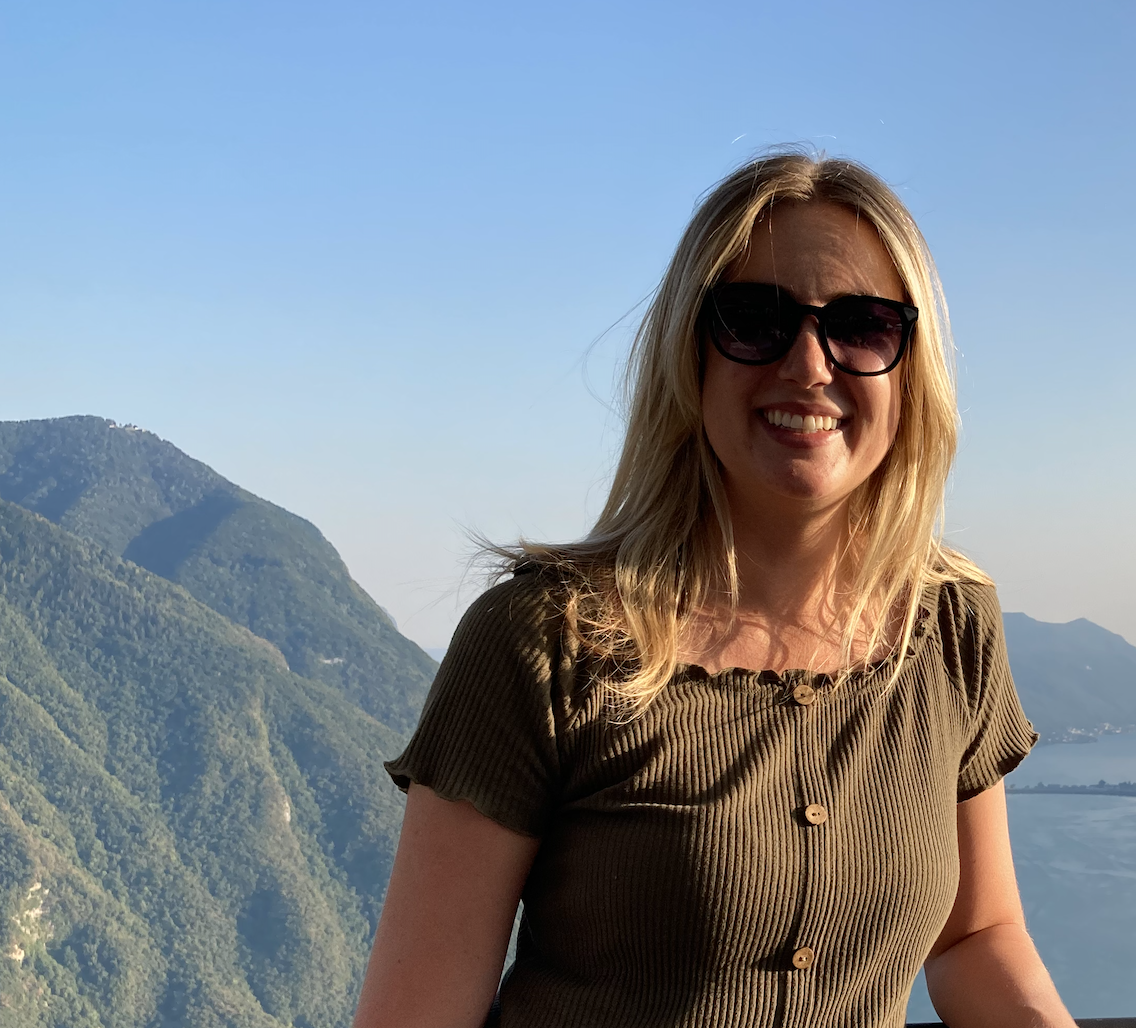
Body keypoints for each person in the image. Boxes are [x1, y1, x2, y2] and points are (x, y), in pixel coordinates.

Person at [353, 150, 1076, 1028]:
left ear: (910, 367)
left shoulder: (951, 624)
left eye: (862, 325)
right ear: (689, 354)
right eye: (754, 318)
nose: (809, 365)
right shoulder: (545, 641)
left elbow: (975, 937)